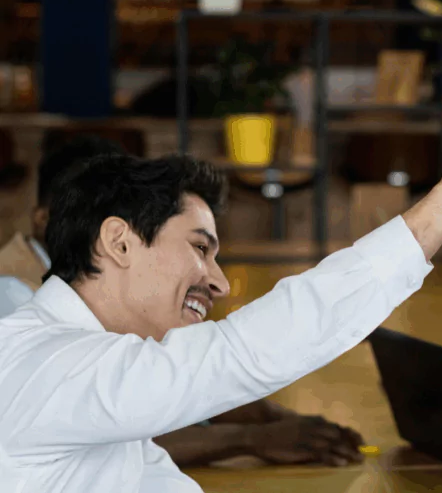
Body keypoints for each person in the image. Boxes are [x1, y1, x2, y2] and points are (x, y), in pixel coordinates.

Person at [0, 33, 442, 493]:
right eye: (200, 248)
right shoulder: (46, 364)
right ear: (120, 242)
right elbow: (241, 354)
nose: (220, 283)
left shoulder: (78, 363)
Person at [0, 135, 376, 469]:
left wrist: (272, 418)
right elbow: (139, 403)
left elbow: (177, 375)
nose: (221, 284)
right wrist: (252, 438)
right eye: (198, 247)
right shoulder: (16, 303)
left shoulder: (97, 302)